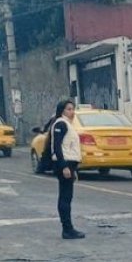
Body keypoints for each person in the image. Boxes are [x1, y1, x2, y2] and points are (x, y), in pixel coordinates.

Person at [51, 99, 85, 239]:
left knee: (67, 197)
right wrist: (64, 166)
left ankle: (68, 228)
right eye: (69, 109)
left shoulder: (67, 124)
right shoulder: (61, 124)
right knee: (65, 197)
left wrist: (73, 169)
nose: (72, 112)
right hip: (64, 163)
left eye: (73, 109)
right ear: (62, 110)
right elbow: (57, 147)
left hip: (70, 164)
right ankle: (67, 229)